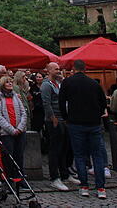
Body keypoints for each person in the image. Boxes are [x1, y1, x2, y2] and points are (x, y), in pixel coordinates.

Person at [58, 60, 107, 199]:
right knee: (97, 155)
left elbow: (62, 101)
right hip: (93, 123)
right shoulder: (94, 83)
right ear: (85, 69)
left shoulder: (68, 82)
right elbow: (103, 102)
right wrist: (97, 114)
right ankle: (101, 188)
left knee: (79, 155)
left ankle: (84, 186)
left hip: (75, 122)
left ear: (74, 68)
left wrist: (66, 117)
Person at [41, 62, 75, 191]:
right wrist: (53, 118)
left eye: (59, 69)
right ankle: (54, 177)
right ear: (49, 71)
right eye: (56, 69)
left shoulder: (59, 83)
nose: (58, 71)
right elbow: (46, 103)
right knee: (55, 149)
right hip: (54, 120)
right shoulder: (46, 85)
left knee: (64, 148)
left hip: (63, 119)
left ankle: (65, 173)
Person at [0, 76, 28, 189]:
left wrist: (20, 127)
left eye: (10, 82)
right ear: (3, 84)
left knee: (19, 155)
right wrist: (11, 129)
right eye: (7, 82)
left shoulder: (16, 97)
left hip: (20, 131)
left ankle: (20, 178)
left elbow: (23, 112)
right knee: (8, 157)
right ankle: (9, 179)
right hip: (7, 133)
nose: (9, 83)